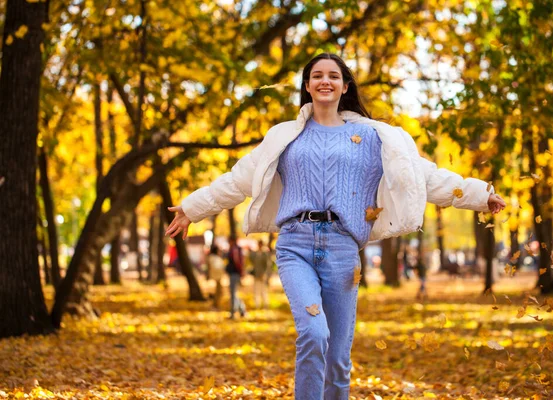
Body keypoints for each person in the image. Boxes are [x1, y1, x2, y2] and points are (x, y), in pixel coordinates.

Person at [166, 53, 506, 400]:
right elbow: (239, 180)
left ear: (345, 86)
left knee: (339, 358)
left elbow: (425, 176)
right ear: (307, 85)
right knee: (314, 333)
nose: (324, 81)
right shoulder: (285, 137)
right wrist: (192, 208)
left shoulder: (374, 138)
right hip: (295, 244)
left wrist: (482, 195)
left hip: (343, 250)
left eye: (333, 76)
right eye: (317, 75)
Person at [226, 237, 246, 319]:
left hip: (235, 274)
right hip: (234, 273)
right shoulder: (234, 249)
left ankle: (233, 313)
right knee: (234, 293)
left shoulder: (234, 250)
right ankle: (242, 310)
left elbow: (237, 262)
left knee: (233, 293)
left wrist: (241, 272)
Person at [249, 239, 272, 309]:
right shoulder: (255, 253)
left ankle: (265, 305)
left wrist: (265, 274)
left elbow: (267, 265)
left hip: (263, 275)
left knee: (263, 290)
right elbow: (251, 260)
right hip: (256, 274)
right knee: (256, 290)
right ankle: (257, 305)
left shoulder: (265, 253)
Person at [206, 245, 225, 309]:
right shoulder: (213, 258)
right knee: (218, 291)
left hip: (217, 276)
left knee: (219, 291)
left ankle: (216, 304)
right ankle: (215, 305)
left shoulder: (214, 257)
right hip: (216, 276)